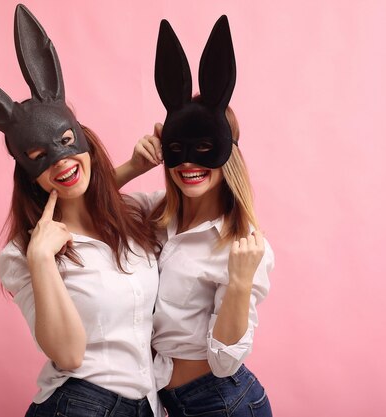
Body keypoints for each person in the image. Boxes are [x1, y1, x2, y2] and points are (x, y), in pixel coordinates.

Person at [0, 4, 161, 416]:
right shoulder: (23, 255)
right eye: (39, 156)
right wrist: (41, 259)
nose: (60, 161)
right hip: (80, 405)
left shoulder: (134, 219)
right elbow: (69, 355)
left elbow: (197, 206)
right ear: (29, 175)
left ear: (83, 138)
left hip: (148, 405)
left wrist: (158, 155)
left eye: (67, 141)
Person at [116, 16, 274, 416]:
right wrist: (134, 166)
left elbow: (225, 362)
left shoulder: (245, 245)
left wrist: (239, 282)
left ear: (227, 154)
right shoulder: (153, 213)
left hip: (223, 403)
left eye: (204, 147)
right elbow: (85, 207)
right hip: (166, 403)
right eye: (177, 149)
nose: (188, 162)